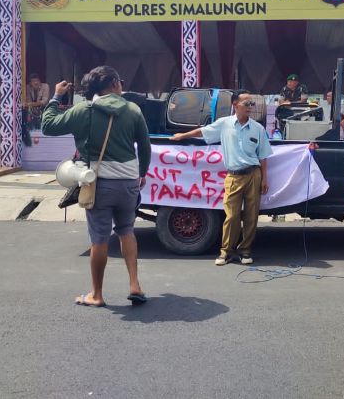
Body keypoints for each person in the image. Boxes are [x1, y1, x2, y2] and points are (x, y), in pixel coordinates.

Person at [42, 66, 151, 307]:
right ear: (113, 83)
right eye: (120, 80)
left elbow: (48, 126)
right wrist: (142, 172)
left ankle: (97, 294)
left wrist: (56, 96)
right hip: (128, 183)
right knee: (126, 231)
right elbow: (145, 146)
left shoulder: (83, 110)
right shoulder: (133, 110)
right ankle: (135, 285)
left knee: (100, 239)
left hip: (97, 182)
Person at [171, 91, 272, 265]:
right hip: (233, 176)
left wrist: (264, 179)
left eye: (252, 104)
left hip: (253, 175)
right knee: (231, 216)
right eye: (246, 103)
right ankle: (226, 251)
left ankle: (245, 251)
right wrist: (183, 136)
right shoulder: (224, 124)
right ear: (235, 104)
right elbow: (203, 132)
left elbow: (263, 156)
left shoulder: (258, 128)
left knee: (251, 216)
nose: (250, 107)